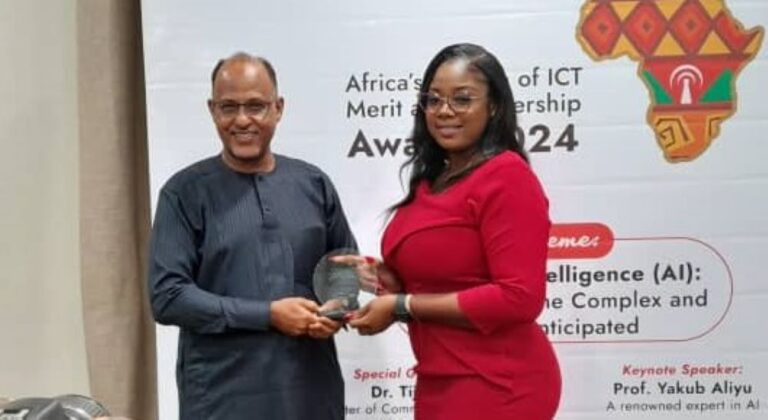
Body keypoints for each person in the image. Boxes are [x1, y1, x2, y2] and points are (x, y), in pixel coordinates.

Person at [344, 43, 561, 419]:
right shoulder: (430, 181)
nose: (444, 111)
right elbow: (441, 279)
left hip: (499, 382)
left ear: (494, 106)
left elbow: (520, 297)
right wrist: (390, 280)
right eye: (434, 100)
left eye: (462, 99)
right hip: (439, 377)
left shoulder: (507, 176)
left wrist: (402, 305)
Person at [148, 52, 356, 420]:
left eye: (256, 106)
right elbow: (168, 297)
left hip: (309, 391)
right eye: (229, 107)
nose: (242, 120)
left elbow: (343, 267)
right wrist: (268, 314)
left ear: (278, 108)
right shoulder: (184, 193)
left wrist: (335, 311)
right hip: (221, 396)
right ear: (212, 111)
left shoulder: (313, 184)